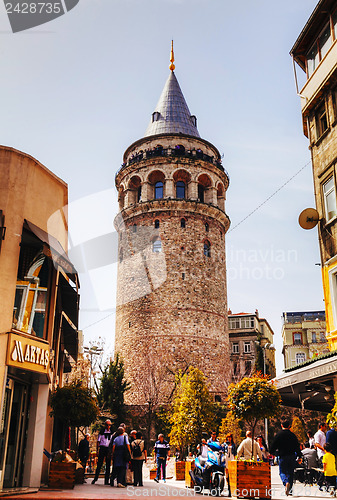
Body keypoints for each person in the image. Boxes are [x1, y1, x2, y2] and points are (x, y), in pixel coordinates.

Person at [270, 419, 302, 496]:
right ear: (289, 426)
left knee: (282, 472)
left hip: (282, 456)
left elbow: (274, 445)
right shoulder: (292, 435)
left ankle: (285, 482)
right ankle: (290, 490)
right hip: (291, 456)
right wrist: (299, 456)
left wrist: (272, 452)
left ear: (281, 426)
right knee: (290, 472)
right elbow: (297, 446)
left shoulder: (278, 435)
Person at [92, 420, 113, 485]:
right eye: (107, 425)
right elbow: (98, 441)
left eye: (109, 425)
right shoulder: (101, 432)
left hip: (108, 449)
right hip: (102, 448)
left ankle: (106, 480)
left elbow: (112, 442)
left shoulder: (111, 433)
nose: (108, 426)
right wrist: (97, 450)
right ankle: (95, 478)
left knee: (108, 464)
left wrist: (111, 451)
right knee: (99, 464)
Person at [224, 433, 236, 498]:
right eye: (228, 437)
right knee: (227, 473)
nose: (229, 438)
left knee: (231, 473)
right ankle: (227, 482)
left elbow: (235, 452)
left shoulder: (233, 444)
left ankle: (231, 488)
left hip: (231, 457)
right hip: (227, 458)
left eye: (230, 437)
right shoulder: (225, 444)